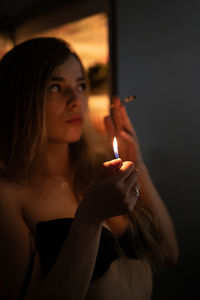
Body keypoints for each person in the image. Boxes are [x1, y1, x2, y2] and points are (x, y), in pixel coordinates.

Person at [0, 37, 178, 300]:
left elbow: (167, 254)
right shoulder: (9, 194)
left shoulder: (100, 171)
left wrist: (138, 164)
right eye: (55, 87)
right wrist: (90, 219)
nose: (76, 100)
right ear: (20, 98)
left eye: (81, 85)